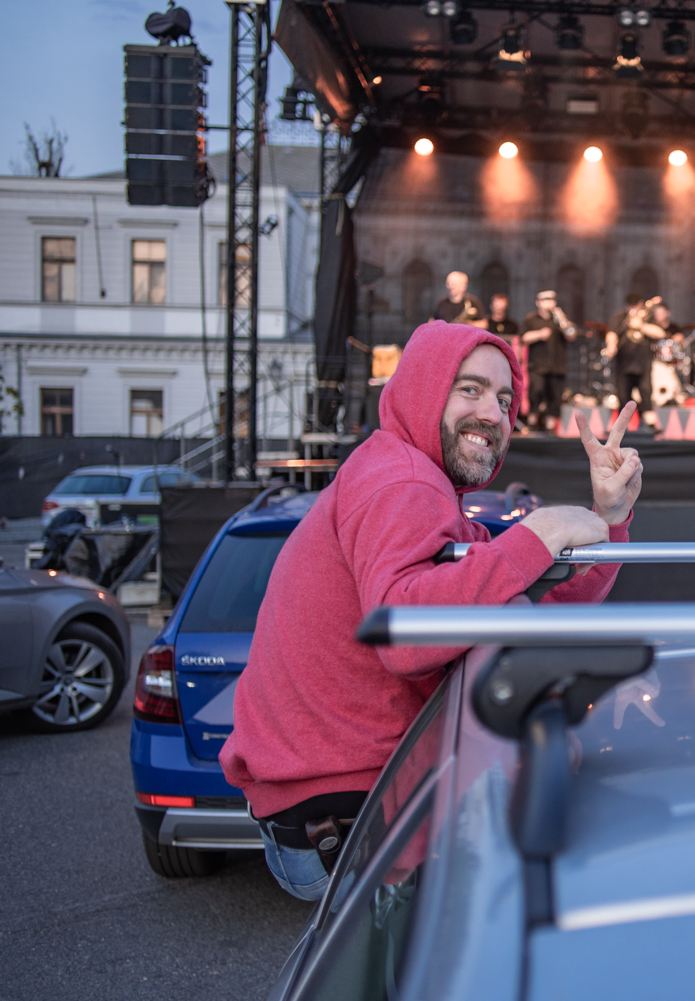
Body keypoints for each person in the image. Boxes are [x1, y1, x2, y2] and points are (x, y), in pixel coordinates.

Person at [221, 320, 643, 900]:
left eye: (504, 401)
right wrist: (537, 535)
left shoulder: (417, 486)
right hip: (353, 816)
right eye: (470, 389)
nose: (493, 414)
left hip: (344, 809)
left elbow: (529, 594)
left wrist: (608, 517)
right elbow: (406, 633)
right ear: (423, 388)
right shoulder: (403, 482)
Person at [521, 290, 575, 432]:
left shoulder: (559, 320)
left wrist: (561, 318)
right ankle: (531, 424)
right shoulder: (531, 319)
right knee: (536, 391)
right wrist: (538, 334)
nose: (549, 303)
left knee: (555, 397)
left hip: (557, 366)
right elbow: (523, 337)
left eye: (551, 300)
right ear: (538, 302)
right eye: (545, 300)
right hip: (537, 365)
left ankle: (550, 428)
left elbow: (571, 335)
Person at [604, 296, 665, 420]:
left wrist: (641, 326)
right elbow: (612, 333)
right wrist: (611, 345)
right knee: (623, 396)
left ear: (640, 304)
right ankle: (623, 426)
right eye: (630, 305)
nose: (632, 308)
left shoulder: (648, 317)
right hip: (623, 364)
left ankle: (649, 423)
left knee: (646, 393)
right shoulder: (620, 318)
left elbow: (660, 333)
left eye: (634, 305)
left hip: (643, 364)